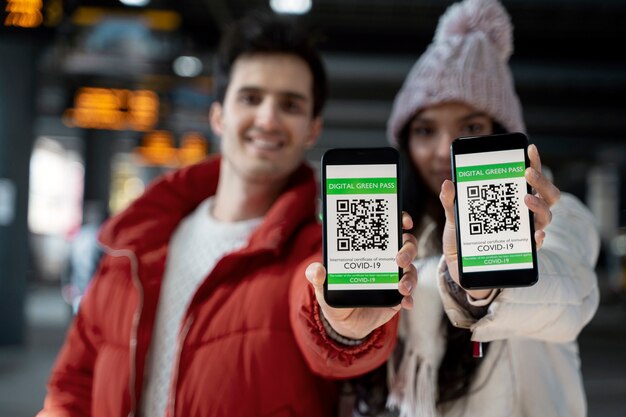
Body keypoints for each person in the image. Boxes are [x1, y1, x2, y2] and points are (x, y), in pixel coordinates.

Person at [38, 11, 418, 417]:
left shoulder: (313, 253)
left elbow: (320, 323)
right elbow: (73, 384)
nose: (268, 119)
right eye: (251, 98)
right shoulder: (131, 246)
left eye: (290, 104)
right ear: (218, 116)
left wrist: (343, 330)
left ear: (312, 128)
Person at [303, 0, 600, 416]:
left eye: (472, 127)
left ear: (503, 135)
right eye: (425, 129)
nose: (444, 149)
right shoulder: (400, 234)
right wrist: (345, 329)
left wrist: (480, 282)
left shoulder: (554, 212)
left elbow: (570, 295)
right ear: (406, 141)